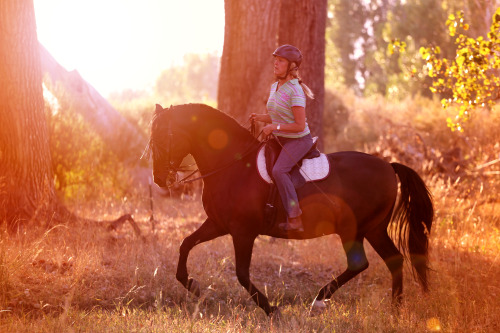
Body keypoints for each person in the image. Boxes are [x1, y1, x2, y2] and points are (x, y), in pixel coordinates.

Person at [251, 44, 315, 232]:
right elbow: (278, 115)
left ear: (292, 67)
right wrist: (260, 118)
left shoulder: (295, 91)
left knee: (279, 170)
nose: (275, 64)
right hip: (281, 139)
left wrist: (274, 127)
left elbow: (299, 125)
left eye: (280, 61)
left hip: (298, 140)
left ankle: (295, 218)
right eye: (275, 60)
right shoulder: (275, 86)